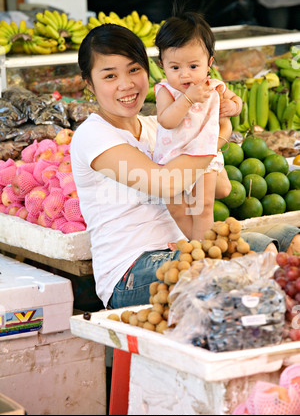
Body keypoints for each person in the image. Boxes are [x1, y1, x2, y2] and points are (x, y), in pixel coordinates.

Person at [71, 23, 300, 310]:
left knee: (288, 239)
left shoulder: (159, 127)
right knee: (257, 251)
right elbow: (166, 184)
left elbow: (221, 188)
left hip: (184, 249)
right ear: (89, 84)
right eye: (109, 76)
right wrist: (215, 139)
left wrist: (216, 114)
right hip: (131, 272)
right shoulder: (93, 136)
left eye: (133, 70)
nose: (126, 84)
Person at [153, 10, 242, 240]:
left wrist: (233, 107)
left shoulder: (213, 85)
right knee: (177, 208)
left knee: (202, 207)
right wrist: (188, 98)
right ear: (162, 65)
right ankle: (196, 245)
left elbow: (235, 101)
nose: (185, 75)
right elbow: (166, 120)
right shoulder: (166, 90)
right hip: (172, 159)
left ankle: (202, 254)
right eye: (175, 68)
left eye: (193, 66)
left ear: (209, 63)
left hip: (203, 155)